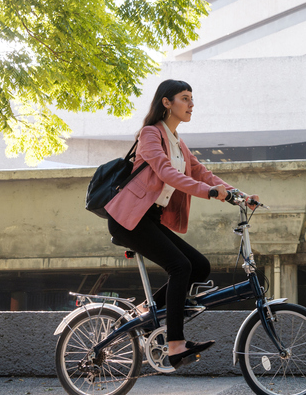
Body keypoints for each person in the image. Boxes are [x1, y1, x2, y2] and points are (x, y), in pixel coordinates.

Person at [105, 79, 256, 368]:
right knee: (180, 266)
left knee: (198, 266)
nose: (191, 104)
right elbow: (164, 172)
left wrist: (240, 196)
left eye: (191, 99)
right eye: (185, 98)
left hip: (148, 219)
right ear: (167, 102)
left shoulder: (178, 143)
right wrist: (208, 193)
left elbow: (202, 173)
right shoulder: (150, 135)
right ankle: (175, 344)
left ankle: (145, 313)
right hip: (128, 219)